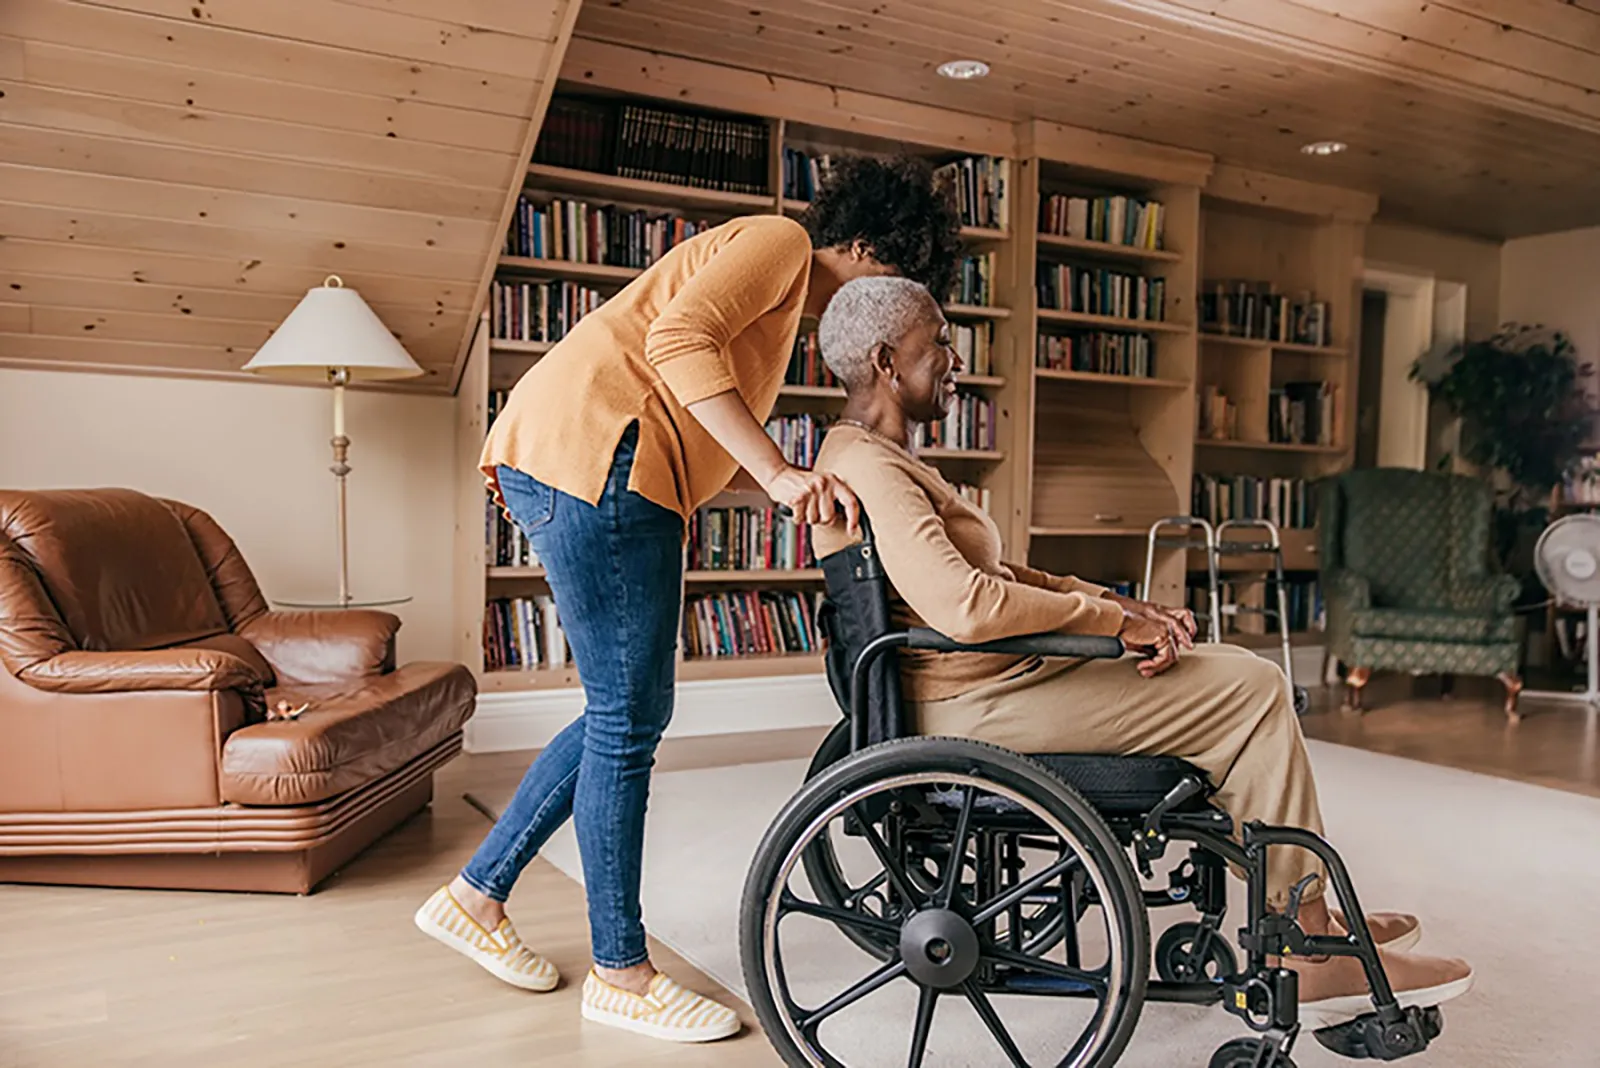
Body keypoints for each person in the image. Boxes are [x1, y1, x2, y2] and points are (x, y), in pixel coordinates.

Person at [806, 275, 1475, 1028]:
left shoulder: (879, 458)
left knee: (1237, 673)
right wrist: (1110, 626)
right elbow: (966, 604)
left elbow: (1009, 577)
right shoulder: (871, 467)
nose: (956, 360)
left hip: (1004, 678)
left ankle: (1305, 919)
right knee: (1250, 690)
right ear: (888, 362)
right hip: (977, 703)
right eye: (940, 347)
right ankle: (1303, 944)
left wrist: (1127, 607)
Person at [414, 159, 964, 1043]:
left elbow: (700, 400)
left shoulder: (784, 313)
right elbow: (677, 343)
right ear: (868, 247)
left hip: (593, 456)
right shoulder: (781, 244)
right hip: (600, 450)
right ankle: (621, 973)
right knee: (629, 720)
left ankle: (477, 896)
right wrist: (778, 472)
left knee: (617, 712)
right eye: (900, 282)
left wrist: (760, 483)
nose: (896, 307)